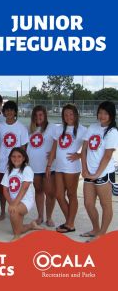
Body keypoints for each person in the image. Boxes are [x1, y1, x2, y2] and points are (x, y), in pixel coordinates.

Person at [46, 104, 87, 233]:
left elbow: (89, 149)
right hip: (59, 167)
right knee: (59, 195)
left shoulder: (83, 130)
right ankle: (70, 222)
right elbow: (54, 149)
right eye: (66, 114)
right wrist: (49, 165)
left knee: (71, 194)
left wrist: (79, 155)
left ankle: (69, 224)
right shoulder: (58, 129)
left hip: (72, 168)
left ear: (76, 115)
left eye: (71, 114)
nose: (68, 117)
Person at [81, 101, 118, 241]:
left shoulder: (113, 132)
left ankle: (102, 234)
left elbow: (108, 155)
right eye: (100, 112)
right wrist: (84, 168)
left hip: (103, 174)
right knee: (88, 204)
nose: (102, 116)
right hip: (89, 172)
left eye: (106, 113)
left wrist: (97, 174)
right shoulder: (92, 127)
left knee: (105, 204)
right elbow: (84, 149)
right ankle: (95, 229)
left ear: (111, 115)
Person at [1, 147, 43, 241]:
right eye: (13, 156)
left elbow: (24, 188)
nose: (16, 159)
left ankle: (17, 237)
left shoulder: (27, 169)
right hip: (14, 201)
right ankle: (31, 225)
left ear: (24, 158)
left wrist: (14, 204)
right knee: (18, 229)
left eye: (19, 156)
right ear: (10, 158)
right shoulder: (8, 171)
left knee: (13, 211)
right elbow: (5, 190)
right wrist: (12, 203)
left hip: (25, 200)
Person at [0, 101, 28, 221]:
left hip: (16, 164)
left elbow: (24, 147)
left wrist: (21, 164)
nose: (9, 112)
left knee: (17, 188)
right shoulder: (0, 127)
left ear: (15, 112)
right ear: (3, 112)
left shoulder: (21, 128)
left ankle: (17, 210)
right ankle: (3, 212)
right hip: (2, 163)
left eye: (11, 110)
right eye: (7, 110)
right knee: (3, 188)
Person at [27, 105, 56, 227]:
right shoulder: (30, 129)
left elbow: (58, 143)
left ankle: (49, 217)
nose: (38, 117)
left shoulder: (52, 127)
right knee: (38, 191)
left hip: (48, 167)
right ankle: (40, 216)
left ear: (45, 115)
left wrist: (54, 155)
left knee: (50, 193)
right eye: (36, 115)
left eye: (41, 115)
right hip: (34, 167)